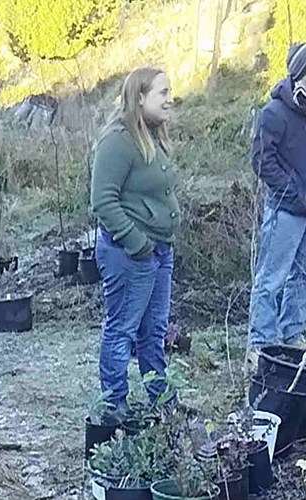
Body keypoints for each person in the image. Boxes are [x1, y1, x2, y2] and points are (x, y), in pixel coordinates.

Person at [91, 67, 180, 423]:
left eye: (169, 91)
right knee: (122, 329)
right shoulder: (118, 141)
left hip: (160, 251)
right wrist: (137, 243)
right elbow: (102, 199)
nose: (169, 98)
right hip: (130, 254)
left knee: (154, 331)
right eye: (162, 92)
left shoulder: (153, 136)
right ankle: (114, 404)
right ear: (139, 97)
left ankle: (160, 398)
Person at [248, 42, 306, 362]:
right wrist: (293, 191)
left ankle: (291, 337)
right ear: (299, 72)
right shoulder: (274, 113)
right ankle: (260, 347)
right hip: (285, 210)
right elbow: (261, 161)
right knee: (272, 279)